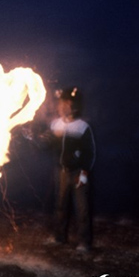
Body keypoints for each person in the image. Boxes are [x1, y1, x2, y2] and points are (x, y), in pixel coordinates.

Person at [45, 86, 95, 252]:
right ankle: (59, 237)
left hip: (79, 173)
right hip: (61, 172)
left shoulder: (82, 127)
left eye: (67, 103)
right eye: (62, 103)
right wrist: (38, 139)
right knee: (60, 206)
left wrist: (84, 172)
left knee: (82, 208)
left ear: (74, 106)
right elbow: (48, 146)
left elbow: (90, 152)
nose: (63, 106)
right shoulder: (55, 125)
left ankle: (84, 242)